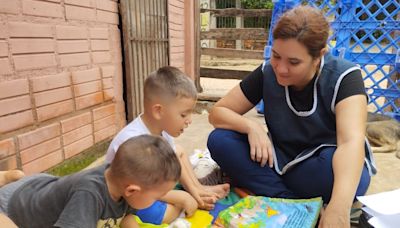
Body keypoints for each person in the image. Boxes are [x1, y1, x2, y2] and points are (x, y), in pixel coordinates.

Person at [207, 5, 376, 228]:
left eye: (294, 62)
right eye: (277, 56)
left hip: (320, 164)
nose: (281, 68)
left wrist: (339, 207)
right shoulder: (268, 71)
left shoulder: (345, 77)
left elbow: (350, 142)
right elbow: (218, 112)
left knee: (348, 179)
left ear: (319, 56)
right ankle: (292, 201)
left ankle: (276, 191)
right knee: (220, 140)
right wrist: (251, 127)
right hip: (278, 158)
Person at [105, 66, 230, 224]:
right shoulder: (132, 141)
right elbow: (137, 189)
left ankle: (199, 189)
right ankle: (193, 195)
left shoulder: (162, 132)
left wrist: (192, 191)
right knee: (168, 214)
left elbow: (172, 161)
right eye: (183, 114)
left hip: (151, 185)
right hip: (130, 196)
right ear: (159, 111)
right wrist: (182, 198)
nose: (189, 120)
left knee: (178, 151)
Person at [0, 135, 185, 228]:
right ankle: (8, 177)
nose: (159, 200)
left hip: (43, 187)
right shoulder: (89, 194)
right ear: (132, 190)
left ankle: (13, 177)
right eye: (157, 197)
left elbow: (128, 220)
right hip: (12, 206)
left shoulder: (125, 185)